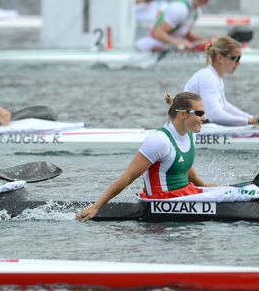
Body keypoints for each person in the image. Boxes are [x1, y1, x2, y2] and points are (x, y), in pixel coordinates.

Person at [75, 92, 217, 221]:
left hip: (184, 195)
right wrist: (96, 206)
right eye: (199, 113)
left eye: (203, 113)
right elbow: (129, 176)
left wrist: (203, 186)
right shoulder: (159, 141)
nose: (204, 118)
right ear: (182, 114)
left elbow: (184, 166)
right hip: (162, 203)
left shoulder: (190, 136)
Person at [184, 37, 259, 126]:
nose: (239, 62)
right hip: (188, 132)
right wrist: (247, 122)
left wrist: (250, 118)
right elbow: (214, 115)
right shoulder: (208, 77)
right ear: (220, 58)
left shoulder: (216, 77)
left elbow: (225, 107)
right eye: (235, 58)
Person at [135, 0, 216, 52]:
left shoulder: (197, 11)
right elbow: (158, 33)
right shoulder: (180, 9)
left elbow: (185, 33)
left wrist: (206, 39)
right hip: (150, 44)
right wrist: (177, 43)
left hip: (167, 45)